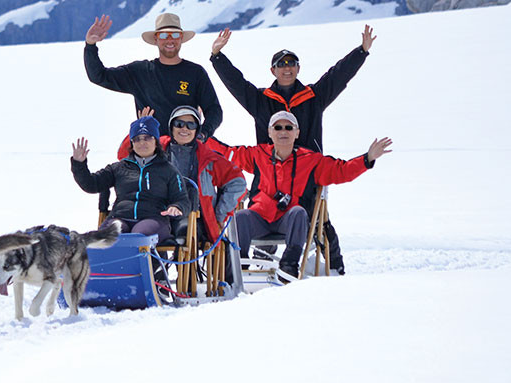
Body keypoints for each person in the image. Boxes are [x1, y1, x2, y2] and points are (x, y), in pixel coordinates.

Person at [206, 111, 393, 279]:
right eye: (278, 127)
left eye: (289, 128)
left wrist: (367, 159)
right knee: (241, 216)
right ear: (270, 132)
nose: (283, 132)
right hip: (261, 217)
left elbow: (341, 171)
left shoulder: (311, 160)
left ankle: (289, 266)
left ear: (297, 133)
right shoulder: (258, 154)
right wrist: (200, 134)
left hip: (291, 222)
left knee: (299, 212)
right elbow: (226, 153)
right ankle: (238, 267)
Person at [208, 25, 376, 151]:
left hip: (309, 172)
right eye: (281, 64)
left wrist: (361, 52)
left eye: (291, 64)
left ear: (298, 68)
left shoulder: (314, 97)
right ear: (273, 71)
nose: (287, 68)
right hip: (271, 173)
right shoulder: (260, 100)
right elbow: (235, 82)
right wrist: (217, 56)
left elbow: (338, 75)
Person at [85, 12, 223, 141]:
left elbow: (214, 110)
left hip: (186, 150)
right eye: (163, 35)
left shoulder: (195, 73)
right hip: (150, 150)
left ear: (181, 38)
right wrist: (90, 45)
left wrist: (203, 133)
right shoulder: (139, 72)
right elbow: (99, 76)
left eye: (175, 35)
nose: (169, 40)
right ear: (156, 39)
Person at [70, 116, 190, 245]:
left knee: (138, 237)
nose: (142, 142)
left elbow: (182, 199)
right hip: (120, 217)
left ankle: (143, 258)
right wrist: (79, 164)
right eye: (137, 139)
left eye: (147, 138)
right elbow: (91, 184)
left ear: (156, 141)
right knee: (106, 237)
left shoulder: (168, 170)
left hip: (153, 219)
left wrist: (176, 207)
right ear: (132, 143)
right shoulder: (119, 168)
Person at [159, 106, 246, 244]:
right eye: (179, 124)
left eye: (191, 125)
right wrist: (143, 125)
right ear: (171, 127)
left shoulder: (208, 157)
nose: (184, 129)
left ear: (197, 130)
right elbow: (128, 154)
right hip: (159, 214)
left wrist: (220, 214)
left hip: (194, 217)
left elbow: (237, 182)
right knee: (146, 232)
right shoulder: (156, 148)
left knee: (186, 233)